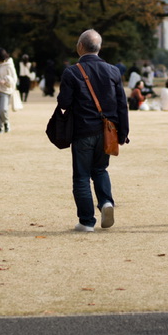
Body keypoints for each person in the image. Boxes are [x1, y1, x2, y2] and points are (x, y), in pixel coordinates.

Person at [57, 29, 129, 232]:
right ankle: (106, 202)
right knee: (100, 169)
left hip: (83, 130)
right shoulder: (113, 71)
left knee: (81, 176)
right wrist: (123, 133)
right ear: (100, 47)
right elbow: (122, 104)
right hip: (108, 131)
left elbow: (64, 102)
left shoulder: (72, 72)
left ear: (80, 46)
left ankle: (87, 221)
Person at [0, 48, 18, 133]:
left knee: (3, 109)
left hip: (5, 90)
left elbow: (14, 78)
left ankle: (6, 123)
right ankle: (0, 127)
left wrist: (6, 80)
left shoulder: (9, 64)